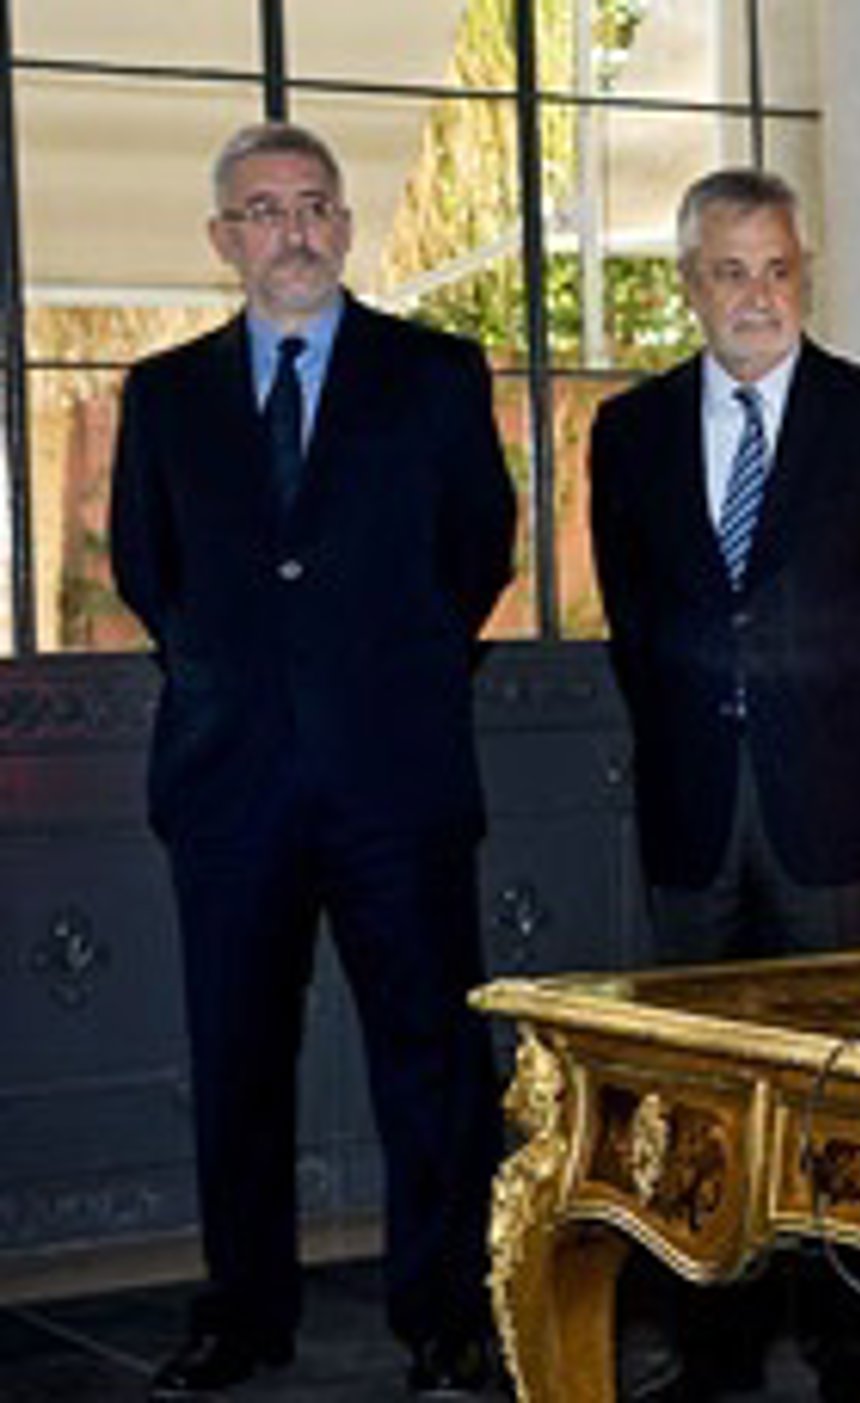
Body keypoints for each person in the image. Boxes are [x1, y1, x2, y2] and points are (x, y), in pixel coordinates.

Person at [110, 121, 515, 1399]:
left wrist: (383, 670)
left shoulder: (435, 375)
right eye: (264, 210)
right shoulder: (163, 396)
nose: (293, 231)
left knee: (432, 1061)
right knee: (236, 1062)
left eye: (314, 206)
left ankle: (446, 1316)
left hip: (398, 779)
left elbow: (479, 549)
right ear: (223, 239)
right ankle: (243, 1316)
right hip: (230, 785)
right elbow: (147, 568)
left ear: (344, 225)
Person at [589, 167, 860, 1402]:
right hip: (693, 819)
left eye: (778, 270)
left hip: (839, 824)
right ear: (688, 284)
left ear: (802, 276)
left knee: (845, 1095)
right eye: (731, 272)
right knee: (704, 1096)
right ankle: (717, 1347)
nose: (757, 296)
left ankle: (856, 1353)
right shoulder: (631, 433)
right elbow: (637, 631)